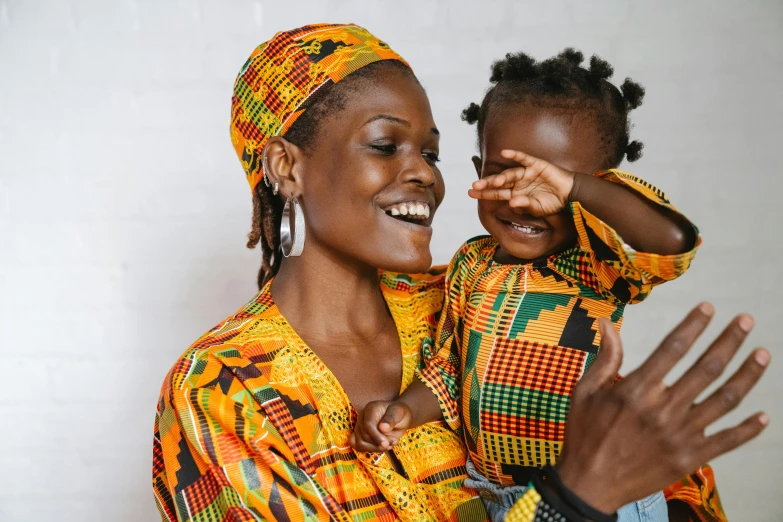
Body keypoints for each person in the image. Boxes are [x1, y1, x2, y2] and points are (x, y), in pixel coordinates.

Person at [151, 24, 770, 522]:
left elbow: (653, 469)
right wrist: (570, 502)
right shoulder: (225, 391)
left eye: (431, 152)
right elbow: (588, 476)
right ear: (287, 167)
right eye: (385, 144)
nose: (425, 173)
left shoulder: (480, 293)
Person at [349, 49, 698, 522]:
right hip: (499, 498)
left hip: (597, 495)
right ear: (478, 171)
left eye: (552, 186)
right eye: (506, 176)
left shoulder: (597, 265)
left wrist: (577, 190)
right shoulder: (472, 265)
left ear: (599, 188)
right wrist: (406, 412)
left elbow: (673, 243)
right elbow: (452, 369)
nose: (526, 201)